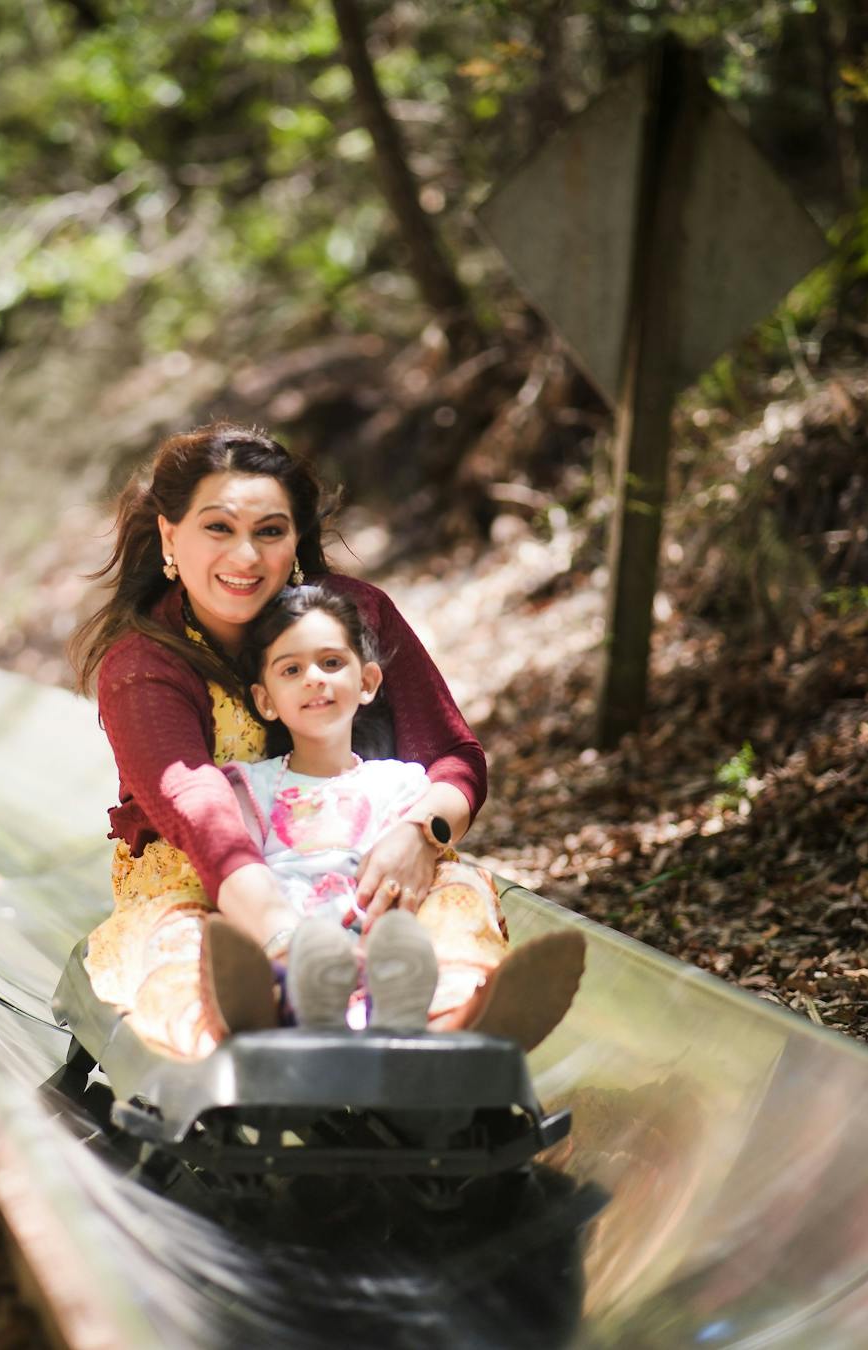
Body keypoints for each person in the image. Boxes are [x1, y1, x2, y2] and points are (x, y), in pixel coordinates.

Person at [69, 421, 581, 1058]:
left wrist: (418, 834)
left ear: (296, 541)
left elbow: (453, 756)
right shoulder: (146, 664)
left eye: (270, 531)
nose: (246, 557)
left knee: (455, 900)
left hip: (359, 862)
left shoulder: (350, 619)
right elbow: (201, 815)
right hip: (204, 886)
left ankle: (455, 1029)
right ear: (171, 535)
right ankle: (251, 1032)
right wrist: (286, 937)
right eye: (218, 528)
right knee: (189, 955)